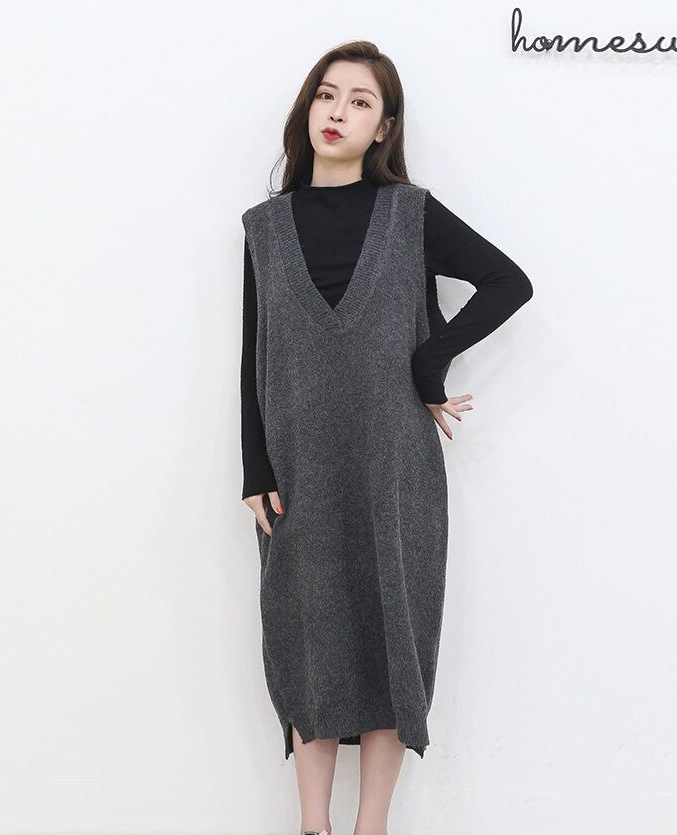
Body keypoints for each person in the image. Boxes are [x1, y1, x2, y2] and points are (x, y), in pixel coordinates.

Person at [239, 40, 533, 835]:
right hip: (297, 469)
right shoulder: (265, 228)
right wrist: (254, 468)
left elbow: (507, 282)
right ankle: (312, 825)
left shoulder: (409, 214)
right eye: (326, 94)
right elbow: (252, 353)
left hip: (393, 463)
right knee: (306, 635)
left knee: (388, 634)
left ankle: (372, 826)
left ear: (384, 127)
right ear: (307, 109)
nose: (337, 111)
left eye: (359, 101)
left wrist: (428, 359)